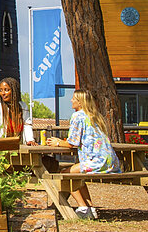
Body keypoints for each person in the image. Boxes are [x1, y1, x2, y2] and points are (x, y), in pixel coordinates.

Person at [44, 90, 121, 220]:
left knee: (65, 174)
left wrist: (57, 143)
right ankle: (90, 208)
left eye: (73, 98)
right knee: (75, 174)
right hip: (110, 161)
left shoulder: (78, 116)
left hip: (97, 162)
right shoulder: (94, 116)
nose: (71, 101)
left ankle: (82, 207)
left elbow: (72, 143)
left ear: (80, 102)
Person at [0, 77, 36, 144]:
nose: (3, 93)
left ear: (14, 91)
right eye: (1, 90)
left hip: (20, 146)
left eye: (6, 90)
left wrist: (30, 140)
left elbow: (27, 125)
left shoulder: (22, 106)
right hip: (3, 147)